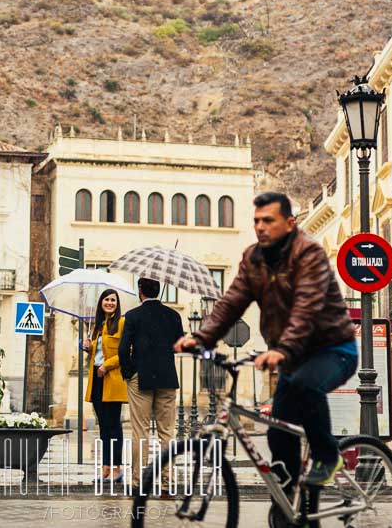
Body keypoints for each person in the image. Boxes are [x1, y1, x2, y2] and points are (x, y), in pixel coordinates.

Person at [176, 191, 357, 488]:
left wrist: (283, 349)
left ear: (289, 223)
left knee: (306, 385)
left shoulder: (309, 253)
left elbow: (306, 307)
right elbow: (231, 302)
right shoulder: (253, 258)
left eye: (268, 220)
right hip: (292, 356)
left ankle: (328, 456)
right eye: (256, 220)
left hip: (333, 349)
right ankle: (292, 508)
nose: (260, 227)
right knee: (277, 434)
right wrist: (201, 337)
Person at [118, 277, 184, 485]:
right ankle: (167, 479)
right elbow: (179, 344)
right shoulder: (173, 315)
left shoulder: (133, 316)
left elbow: (123, 348)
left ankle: (138, 480)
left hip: (141, 377)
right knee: (166, 432)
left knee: (140, 430)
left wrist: (129, 373)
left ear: (140, 291)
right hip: (167, 377)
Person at [80, 288, 127, 483]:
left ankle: (117, 469)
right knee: (103, 427)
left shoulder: (122, 323)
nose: (109, 303)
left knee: (114, 426)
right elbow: (96, 354)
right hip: (97, 380)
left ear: (117, 303)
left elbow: (127, 352)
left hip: (112, 380)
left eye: (113, 300)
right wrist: (88, 348)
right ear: (101, 303)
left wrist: (107, 366)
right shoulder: (98, 326)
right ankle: (106, 468)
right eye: (106, 299)